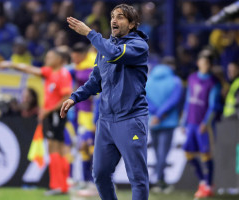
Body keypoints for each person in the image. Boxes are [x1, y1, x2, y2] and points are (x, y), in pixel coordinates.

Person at [61, 4, 150, 200]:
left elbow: (114, 54)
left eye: (120, 17)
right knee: (100, 175)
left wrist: (90, 34)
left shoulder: (138, 46)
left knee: (137, 177)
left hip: (131, 119)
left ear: (133, 24)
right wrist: (74, 97)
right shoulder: (104, 47)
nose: (114, 21)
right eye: (112, 16)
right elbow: (95, 81)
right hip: (106, 120)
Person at [0, 48, 73, 195]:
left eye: (50, 57)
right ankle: (62, 185)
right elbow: (28, 68)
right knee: (57, 148)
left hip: (57, 114)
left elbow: (66, 97)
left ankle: (58, 186)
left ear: (59, 60)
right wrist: (9, 64)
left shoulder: (63, 74)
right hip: (52, 115)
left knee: (55, 148)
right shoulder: (49, 72)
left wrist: (48, 111)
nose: (47, 60)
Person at [181, 52, 221, 198]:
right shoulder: (191, 78)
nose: (204, 65)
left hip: (204, 125)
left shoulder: (213, 82)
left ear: (210, 65)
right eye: (202, 62)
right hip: (191, 123)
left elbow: (213, 105)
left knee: (206, 154)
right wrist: (184, 121)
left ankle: (209, 185)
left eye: (207, 63)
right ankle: (203, 182)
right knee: (188, 153)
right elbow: (187, 101)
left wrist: (206, 122)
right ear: (198, 63)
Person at [145, 57, 183, 192]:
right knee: (163, 153)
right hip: (168, 122)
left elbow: (144, 97)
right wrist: (161, 115)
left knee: (157, 152)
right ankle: (160, 181)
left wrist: (155, 115)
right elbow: (174, 100)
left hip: (152, 120)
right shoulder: (176, 81)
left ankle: (159, 180)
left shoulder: (148, 79)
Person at [70, 42, 98, 196]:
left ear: (82, 55)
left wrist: (97, 113)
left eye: (75, 57)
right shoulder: (77, 65)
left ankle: (95, 182)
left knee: (91, 146)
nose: (73, 60)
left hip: (93, 112)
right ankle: (87, 181)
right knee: (83, 146)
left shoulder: (94, 62)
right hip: (82, 112)